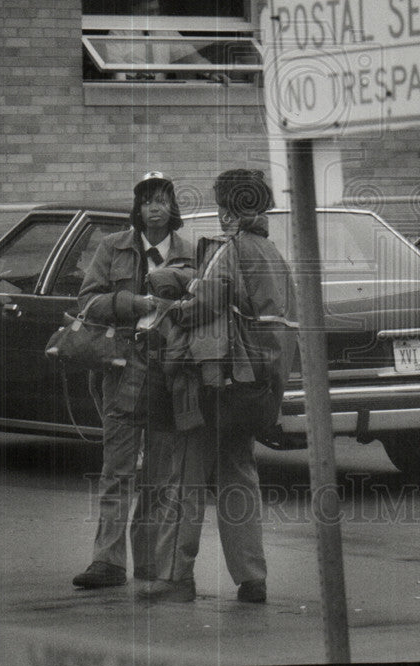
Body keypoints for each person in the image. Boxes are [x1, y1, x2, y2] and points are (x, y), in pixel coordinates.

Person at [140, 169, 298, 604]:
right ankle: (252, 579)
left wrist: (171, 294)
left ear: (230, 208)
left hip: (213, 383)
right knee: (239, 478)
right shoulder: (274, 255)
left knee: (186, 478)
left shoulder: (228, 252)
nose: (222, 213)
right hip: (255, 389)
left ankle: (175, 577)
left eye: (223, 204)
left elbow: (201, 308)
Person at [71, 172, 195, 589]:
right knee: (117, 468)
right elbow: (86, 302)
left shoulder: (191, 252)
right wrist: (131, 302)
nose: (153, 208)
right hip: (122, 371)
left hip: (169, 373)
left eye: (161, 200)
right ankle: (106, 562)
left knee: (161, 474)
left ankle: (148, 562)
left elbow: (205, 306)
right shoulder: (112, 247)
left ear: (173, 207)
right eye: (146, 201)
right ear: (137, 208)